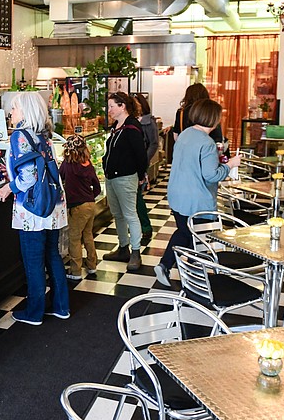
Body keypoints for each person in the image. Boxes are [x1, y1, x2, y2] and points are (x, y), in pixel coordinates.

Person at [0, 91, 70, 324]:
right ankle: (61, 306)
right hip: (54, 203)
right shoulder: (44, 134)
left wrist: (9, 187)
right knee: (53, 255)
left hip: (33, 208)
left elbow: (28, 176)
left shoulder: (19, 136)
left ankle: (34, 312)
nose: (11, 112)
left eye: (15, 108)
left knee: (33, 259)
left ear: (25, 112)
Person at [153, 99, 241, 287]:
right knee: (199, 237)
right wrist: (230, 165)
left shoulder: (185, 134)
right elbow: (211, 176)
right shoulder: (207, 143)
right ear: (214, 119)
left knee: (185, 232)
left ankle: (166, 265)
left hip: (177, 194)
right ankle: (194, 277)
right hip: (197, 200)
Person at [101, 92, 148, 272]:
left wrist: (141, 174)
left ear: (123, 106)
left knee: (130, 214)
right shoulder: (116, 125)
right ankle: (123, 248)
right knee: (117, 214)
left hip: (126, 177)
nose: (109, 110)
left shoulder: (132, 127)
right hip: (111, 177)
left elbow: (140, 155)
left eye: (112, 106)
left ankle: (136, 252)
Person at [59, 134, 100, 281]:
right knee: (88, 235)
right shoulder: (88, 164)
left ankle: (75, 271)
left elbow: (59, 177)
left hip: (76, 207)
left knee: (74, 238)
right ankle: (92, 265)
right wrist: (90, 197)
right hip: (90, 204)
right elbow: (97, 187)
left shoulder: (67, 164)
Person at [133, 93, 159, 247]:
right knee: (135, 196)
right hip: (130, 163)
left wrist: (144, 159)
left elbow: (154, 143)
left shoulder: (149, 121)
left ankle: (146, 226)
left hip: (140, 163)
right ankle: (142, 226)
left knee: (136, 196)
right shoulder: (130, 120)